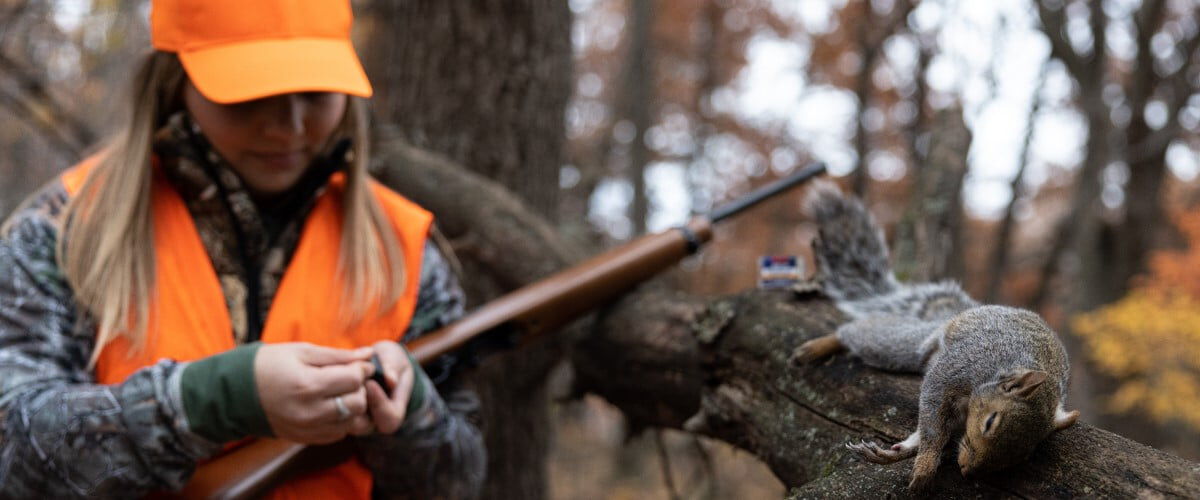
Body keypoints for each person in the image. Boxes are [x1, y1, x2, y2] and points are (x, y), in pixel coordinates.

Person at [0, 0, 486, 498]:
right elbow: (13, 458)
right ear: (174, 79)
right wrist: (212, 401)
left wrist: (410, 418)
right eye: (250, 96)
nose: (288, 126)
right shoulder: (65, 230)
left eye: (315, 93)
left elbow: (459, 480)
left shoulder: (402, 246)